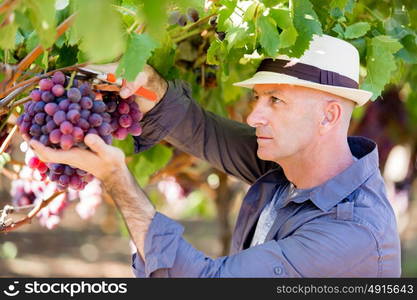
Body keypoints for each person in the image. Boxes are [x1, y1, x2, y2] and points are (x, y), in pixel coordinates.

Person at [29, 34, 401, 277]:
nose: (254, 116)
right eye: (257, 98)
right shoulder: (296, 167)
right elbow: (201, 130)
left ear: (329, 116)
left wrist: (117, 179)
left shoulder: (349, 235)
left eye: (276, 100)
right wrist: (147, 86)